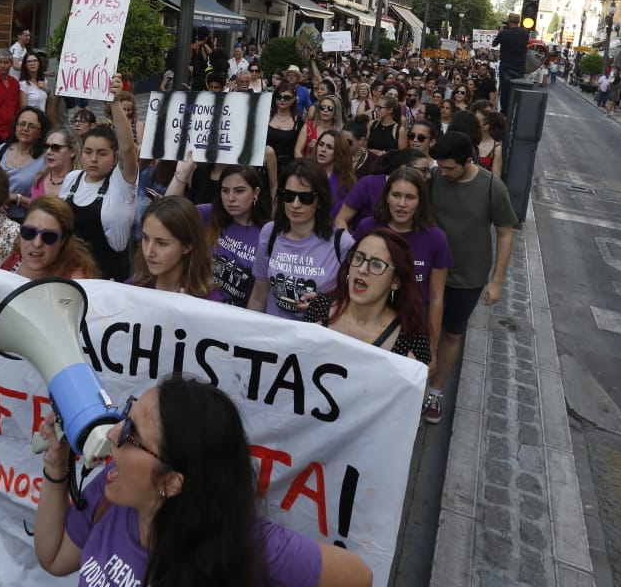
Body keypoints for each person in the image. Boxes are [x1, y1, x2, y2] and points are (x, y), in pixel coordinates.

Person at [34, 374, 373, 587]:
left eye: (132, 434)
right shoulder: (113, 491)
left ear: (172, 483)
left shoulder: (247, 544)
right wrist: (56, 463)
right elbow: (54, 559)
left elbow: (358, 576)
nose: (111, 434)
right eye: (126, 416)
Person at [423, 133, 517, 425]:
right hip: (429, 270)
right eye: (441, 166)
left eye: (450, 167)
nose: (445, 172)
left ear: (468, 161)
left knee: (452, 333)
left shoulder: (492, 187)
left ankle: (435, 392)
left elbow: (505, 232)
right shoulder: (435, 176)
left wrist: (496, 280)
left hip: (468, 277)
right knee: (422, 330)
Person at [353, 166, 449, 352]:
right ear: (386, 197)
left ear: (420, 201)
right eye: (396, 195)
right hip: (362, 324)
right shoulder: (367, 227)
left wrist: (432, 348)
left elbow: (437, 297)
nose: (401, 203)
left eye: (410, 197)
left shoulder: (436, 239)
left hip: (409, 329)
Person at [305, 229, 432, 365]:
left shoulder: (412, 337)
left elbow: (424, 385)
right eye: (358, 258)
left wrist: (414, 381)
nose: (362, 269)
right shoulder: (319, 308)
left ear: (395, 281)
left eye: (376, 264)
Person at [248, 160, 355, 319]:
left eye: (305, 198)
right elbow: (258, 296)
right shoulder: (269, 233)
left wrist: (323, 305)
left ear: (320, 201)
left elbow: (354, 305)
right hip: (272, 338)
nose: (295, 204)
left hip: (316, 338)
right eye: (288, 196)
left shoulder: (342, 243)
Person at [62, 100, 139, 281]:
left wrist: (114, 103)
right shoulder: (72, 179)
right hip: (70, 271)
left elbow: (128, 148)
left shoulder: (122, 184)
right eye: (88, 152)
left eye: (102, 153)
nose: (94, 159)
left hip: (108, 276)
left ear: (115, 157)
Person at [193, 164, 268, 308]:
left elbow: (260, 296)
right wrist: (181, 175)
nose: (231, 198)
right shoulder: (207, 214)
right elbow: (166, 220)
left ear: (256, 193)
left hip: (232, 320)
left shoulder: (266, 234)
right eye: (225, 191)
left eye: (239, 191)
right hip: (193, 307)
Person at [130, 196, 217, 298]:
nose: (149, 252)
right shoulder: (132, 288)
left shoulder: (210, 306)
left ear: (188, 246)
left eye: (161, 243)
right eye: (145, 238)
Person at [10, 196, 99, 280]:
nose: (37, 243)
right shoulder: (13, 258)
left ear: (63, 241)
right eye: (29, 232)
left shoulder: (75, 282)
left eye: (49, 236)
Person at [0, 106, 49, 221]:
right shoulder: (2, 150)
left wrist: (15, 198)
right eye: (21, 123)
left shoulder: (46, 160)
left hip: (25, 221)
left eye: (31, 126)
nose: (25, 129)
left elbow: (45, 203)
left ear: (41, 132)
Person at [310, 130, 357, 212]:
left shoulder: (346, 180)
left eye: (329, 147)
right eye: (321, 144)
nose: (323, 149)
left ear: (338, 152)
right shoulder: (306, 173)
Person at [32, 127, 79, 202]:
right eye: (46, 147)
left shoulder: (80, 183)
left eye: (56, 147)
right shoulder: (39, 178)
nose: (48, 152)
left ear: (72, 152)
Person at [266, 84, 303, 171]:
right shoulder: (265, 116)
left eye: (286, 97)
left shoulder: (299, 122)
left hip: (287, 168)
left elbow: (298, 151)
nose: (282, 100)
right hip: (265, 165)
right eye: (279, 97)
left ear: (294, 99)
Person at [491, 16, 530, 82]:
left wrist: (500, 32)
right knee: (517, 88)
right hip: (520, 66)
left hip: (506, 66)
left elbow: (494, 44)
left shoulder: (503, 33)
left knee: (505, 89)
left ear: (508, 22)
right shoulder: (525, 33)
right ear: (518, 22)